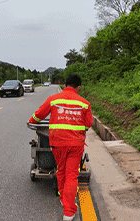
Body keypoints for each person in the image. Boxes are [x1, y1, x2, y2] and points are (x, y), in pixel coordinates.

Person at [27, 74, 93, 221]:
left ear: (65, 85)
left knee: (61, 170)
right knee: (72, 175)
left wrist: (30, 121)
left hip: (58, 144)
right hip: (76, 145)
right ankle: (68, 212)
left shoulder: (53, 99)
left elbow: (39, 115)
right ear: (78, 87)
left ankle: (63, 198)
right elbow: (88, 124)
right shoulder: (84, 103)